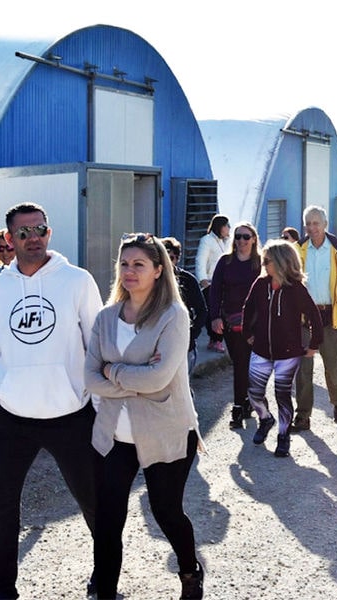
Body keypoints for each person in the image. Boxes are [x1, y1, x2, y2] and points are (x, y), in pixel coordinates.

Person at [0, 202, 102, 599]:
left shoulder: (77, 281)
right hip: (10, 417)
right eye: (24, 233)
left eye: (40, 230)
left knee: (97, 502)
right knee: (0, 508)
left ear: (50, 233)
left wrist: (98, 408)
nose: (34, 238)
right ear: (9, 240)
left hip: (72, 414)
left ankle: (105, 578)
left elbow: (98, 346)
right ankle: (0, 589)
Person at [84, 233, 204, 599]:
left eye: (139, 265)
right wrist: (130, 376)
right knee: (107, 520)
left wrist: (113, 371)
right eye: (124, 264)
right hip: (114, 435)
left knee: (166, 512)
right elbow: (89, 378)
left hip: (166, 430)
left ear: (157, 270)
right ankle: (104, 590)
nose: (129, 271)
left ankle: (189, 571)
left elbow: (160, 377)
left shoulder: (174, 316)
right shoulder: (106, 317)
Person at [242, 240, 323, 457]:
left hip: (287, 353)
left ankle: (283, 435)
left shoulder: (296, 289)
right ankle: (266, 419)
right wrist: (248, 334)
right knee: (254, 393)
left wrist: (314, 344)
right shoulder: (260, 284)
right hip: (261, 350)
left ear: (280, 262)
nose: (263, 264)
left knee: (283, 395)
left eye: (266, 260)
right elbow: (248, 308)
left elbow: (314, 315)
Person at [292, 205, 337, 431]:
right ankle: (302, 415)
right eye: (308, 223)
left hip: (331, 314)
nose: (312, 228)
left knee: (333, 365)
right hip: (303, 317)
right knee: (303, 368)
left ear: (325, 225)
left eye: (316, 223)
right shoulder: (297, 249)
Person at [209, 222, 262, 429]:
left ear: (254, 239)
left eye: (246, 237)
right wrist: (215, 317)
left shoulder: (260, 263)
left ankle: (241, 405)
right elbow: (215, 292)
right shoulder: (226, 262)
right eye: (238, 236)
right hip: (231, 322)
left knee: (250, 365)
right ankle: (243, 403)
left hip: (255, 323)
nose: (241, 241)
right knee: (240, 363)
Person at [162, 237, 207, 374]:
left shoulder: (188, 280)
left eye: (171, 258)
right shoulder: (151, 281)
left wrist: (192, 335)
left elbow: (202, 310)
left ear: (177, 259)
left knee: (182, 388)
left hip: (184, 346)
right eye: (164, 257)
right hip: (158, 347)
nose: (167, 262)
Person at [195, 214, 230, 351]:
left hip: (224, 282)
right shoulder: (207, 240)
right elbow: (201, 260)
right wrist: (203, 279)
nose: (228, 228)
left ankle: (216, 339)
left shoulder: (225, 242)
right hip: (210, 282)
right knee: (212, 312)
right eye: (226, 225)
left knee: (221, 312)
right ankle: (215, 340)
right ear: (219, 226)